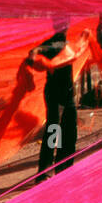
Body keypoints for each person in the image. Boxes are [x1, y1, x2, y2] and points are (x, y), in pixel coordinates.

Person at [27, 23, 79, 181]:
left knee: (67, 131)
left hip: (68, 94)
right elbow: (34, 53)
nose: (65, 27)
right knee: (55, 130)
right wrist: (35, 57)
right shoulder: (53, 43)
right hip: (55, 94)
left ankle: (62, 167)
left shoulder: (68, 44)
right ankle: (45, 171)